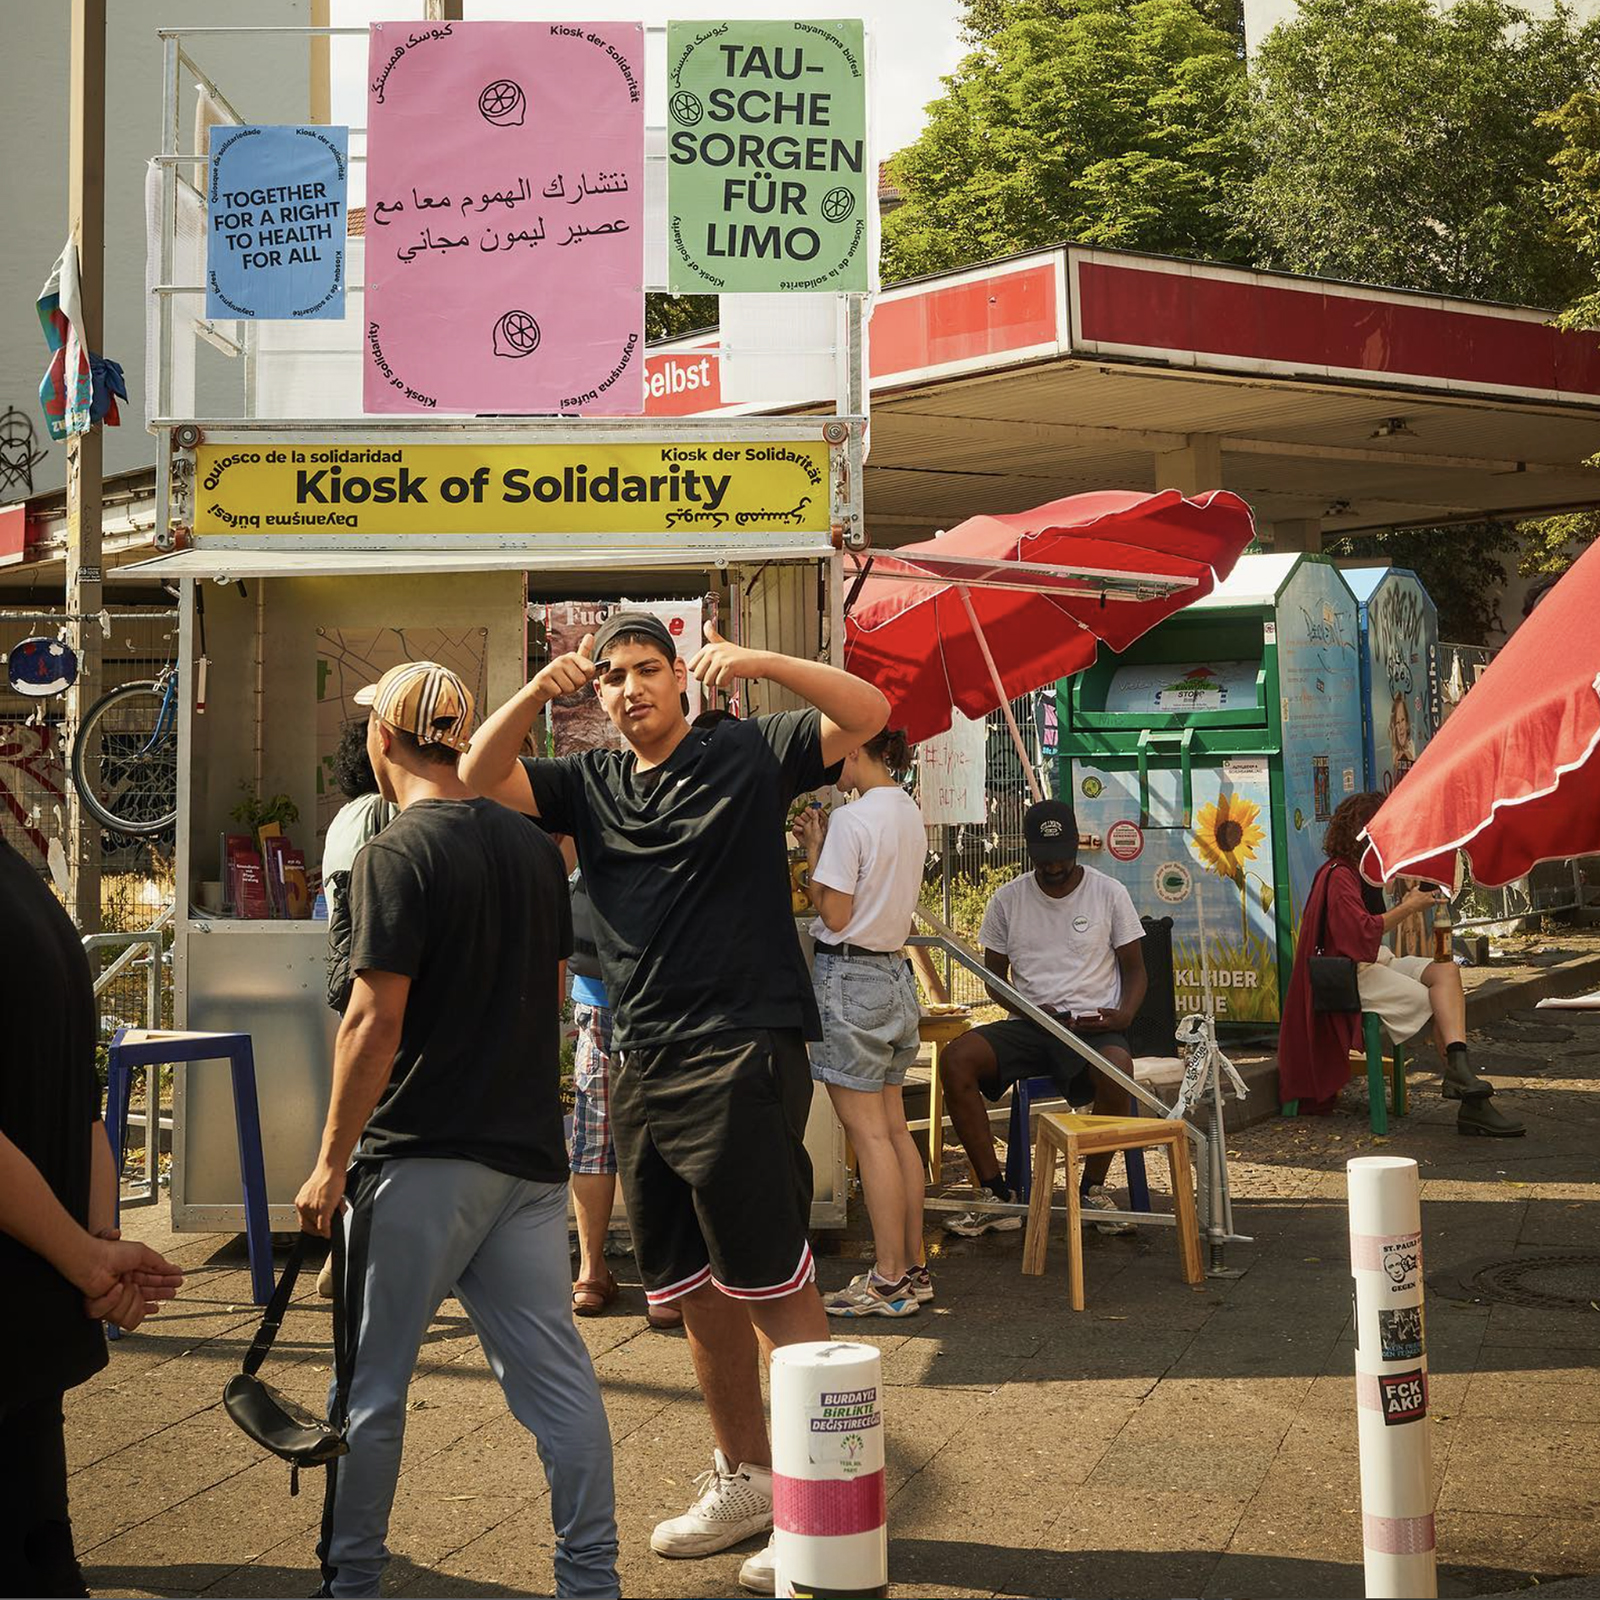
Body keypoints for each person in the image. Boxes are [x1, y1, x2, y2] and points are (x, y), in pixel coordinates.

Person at [461, 611, 888, 1597]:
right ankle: (746, 1478)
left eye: (646, 669)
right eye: (609, 677)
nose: (627, 688)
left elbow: (868, 711)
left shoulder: (746, 748)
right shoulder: (592, 781)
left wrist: (760, 663)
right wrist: (535, 690)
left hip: (742, 1044)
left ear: (681, 679)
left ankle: (826, 1503)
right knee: (690, 1284)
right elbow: (483, 773)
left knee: (773, 1278)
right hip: (641, 1051)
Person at [295, 661, 619, 1599]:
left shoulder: (392, 853)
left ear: (383, 741)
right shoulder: (530, 850)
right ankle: (590, 1581)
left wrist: (328, 1162)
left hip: (420, 1158)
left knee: (370, 1385)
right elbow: (555, 993)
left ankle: (351, 1579)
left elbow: (372, 1021)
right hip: (525, 1158)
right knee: (558, 1381)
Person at [1, 836, 183, 1596]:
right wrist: (98, 1244)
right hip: (31, 1319)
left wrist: (88, 1257)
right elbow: (88, 1111)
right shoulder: (25, 889)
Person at [938, 799, 1148, 1238]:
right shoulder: (1007, 899)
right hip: (1032, 1024)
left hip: (1093, 1027)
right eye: (1044, 857)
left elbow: (1135, 969)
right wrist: (1027, 1009)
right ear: (1029, 851)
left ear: (1075, 845)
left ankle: (1091, 1188)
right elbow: (991, 979)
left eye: (1062, 856)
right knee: (957, 1058)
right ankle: (996, 1195)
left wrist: (1123, 1014)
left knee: (1119, 1071)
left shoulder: (1109, 893)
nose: (1054, 866)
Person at [1279, 791, 1525, 1136]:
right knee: (1437, 1003)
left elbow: (1370, 934)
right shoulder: (1339, 876)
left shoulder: (1360, 873)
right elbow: (1360, 937)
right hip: (1351, 973)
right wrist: (1408, 906)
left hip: (1373, 962)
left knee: (1446, 971)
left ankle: (1460, 1075)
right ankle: (1472, 1101)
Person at [793, 727, 931, 1318]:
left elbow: (836, 911)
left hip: (851, 979)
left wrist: (811, 857)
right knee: (895, 1131)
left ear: (856, 750)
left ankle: (889, 1278)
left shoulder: (854, 818)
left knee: (869, 1135)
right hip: (895, 977)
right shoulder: (907, 811)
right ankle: (913, 1268)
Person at [566, 867, 681, 1331]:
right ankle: (666, 1288)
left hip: (595, 998)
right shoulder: (671, 825)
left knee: (594, 1134)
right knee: (664, 1135)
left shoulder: (592, 819)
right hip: (664, 1000)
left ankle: (590, 1275)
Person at [319, 720, 397, 1299]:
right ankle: (347, 1254)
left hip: (344, 973)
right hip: (376, 971)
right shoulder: (379, 815)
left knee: (359, 1112)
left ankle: (342, 1251)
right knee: (379, 1115)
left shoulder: (342, 819)